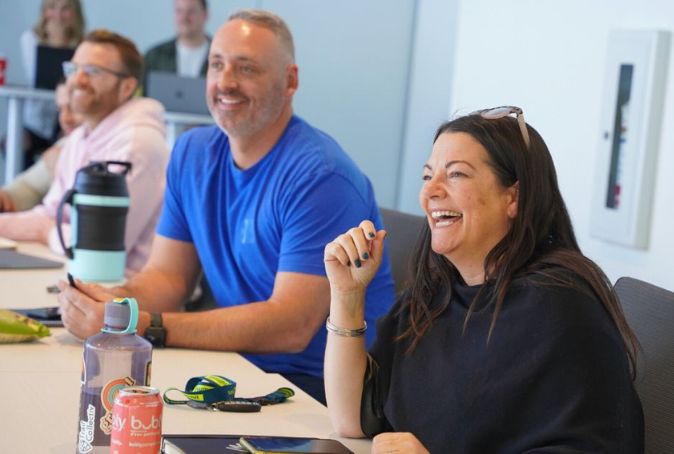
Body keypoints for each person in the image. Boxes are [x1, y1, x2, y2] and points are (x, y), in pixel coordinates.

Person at [57, 9, 395, 404]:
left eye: (246, 68)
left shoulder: (321, 176)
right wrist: (112, 302)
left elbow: (291, 325)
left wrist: (148, 325)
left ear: (290, 82)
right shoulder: (192, 153)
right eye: (216, 65)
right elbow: (169, 278)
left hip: (320, 391)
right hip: (238, 367)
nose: (225, 83)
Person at [323, 107, 644, 452]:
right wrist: (347, 295)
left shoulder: (560, 307)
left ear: (513, 198)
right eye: (427, 176)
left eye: (456, 174)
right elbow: (352, 419)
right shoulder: (438, 293)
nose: (431, 191)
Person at [0, 29, 169, 277]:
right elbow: (51, 213)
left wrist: (45, 231)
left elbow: (101, 245)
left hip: (125, 295)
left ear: (127, 87)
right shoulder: (80, 137)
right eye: (73, 69)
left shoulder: (137, 144)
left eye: (92, 71)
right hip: (77, 274)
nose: (77, 80)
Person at [20, 0, 85, 166]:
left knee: (72, 147)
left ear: (75, 13)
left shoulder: (84, 45)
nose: (58, 15)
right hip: (35, 121)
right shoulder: (30, 39)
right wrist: (56, 43)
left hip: (66, 120)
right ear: (44, 12)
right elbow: (40, 78)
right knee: (18, 144)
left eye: (65, 9)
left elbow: (74, 81)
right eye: (52, 8)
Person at [0, 81, 83, 213]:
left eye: (74, 109)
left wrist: (65, 172)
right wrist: (5, 199)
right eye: (60, 109)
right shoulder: (67, 145)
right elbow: (30, 185)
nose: (65, 119)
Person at [142, 0, 210, 92]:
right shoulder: (154, 56)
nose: (184, 18)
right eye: (179, 11)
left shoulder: (220, 55)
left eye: (191, 11)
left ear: (205, 15)